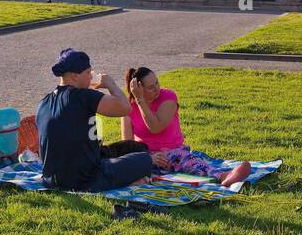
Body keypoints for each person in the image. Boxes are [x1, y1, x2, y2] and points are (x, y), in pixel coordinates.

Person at [36, 49, 163, 192]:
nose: (91, 77)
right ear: (74, 76)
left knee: (133, 147)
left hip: (51, 179)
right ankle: (130, 179)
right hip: (86, 180)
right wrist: (110, 84)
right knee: (144, 159)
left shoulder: (43, 102)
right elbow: (125, 108)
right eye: (88, 73)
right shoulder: (84, 96)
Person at [121, 66, 251, 186]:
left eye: (157, 83)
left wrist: (140, 101)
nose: (157, 89)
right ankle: (142, 178)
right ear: (138, 89)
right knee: (126, 165)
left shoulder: (168, 97)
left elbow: (156, 127)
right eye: (151, 87)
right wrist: (149, 157)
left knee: (191, 163)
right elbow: (127, 145)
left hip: (174, 152)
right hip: (147, 155)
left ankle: (225, 176)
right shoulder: (128, 107)